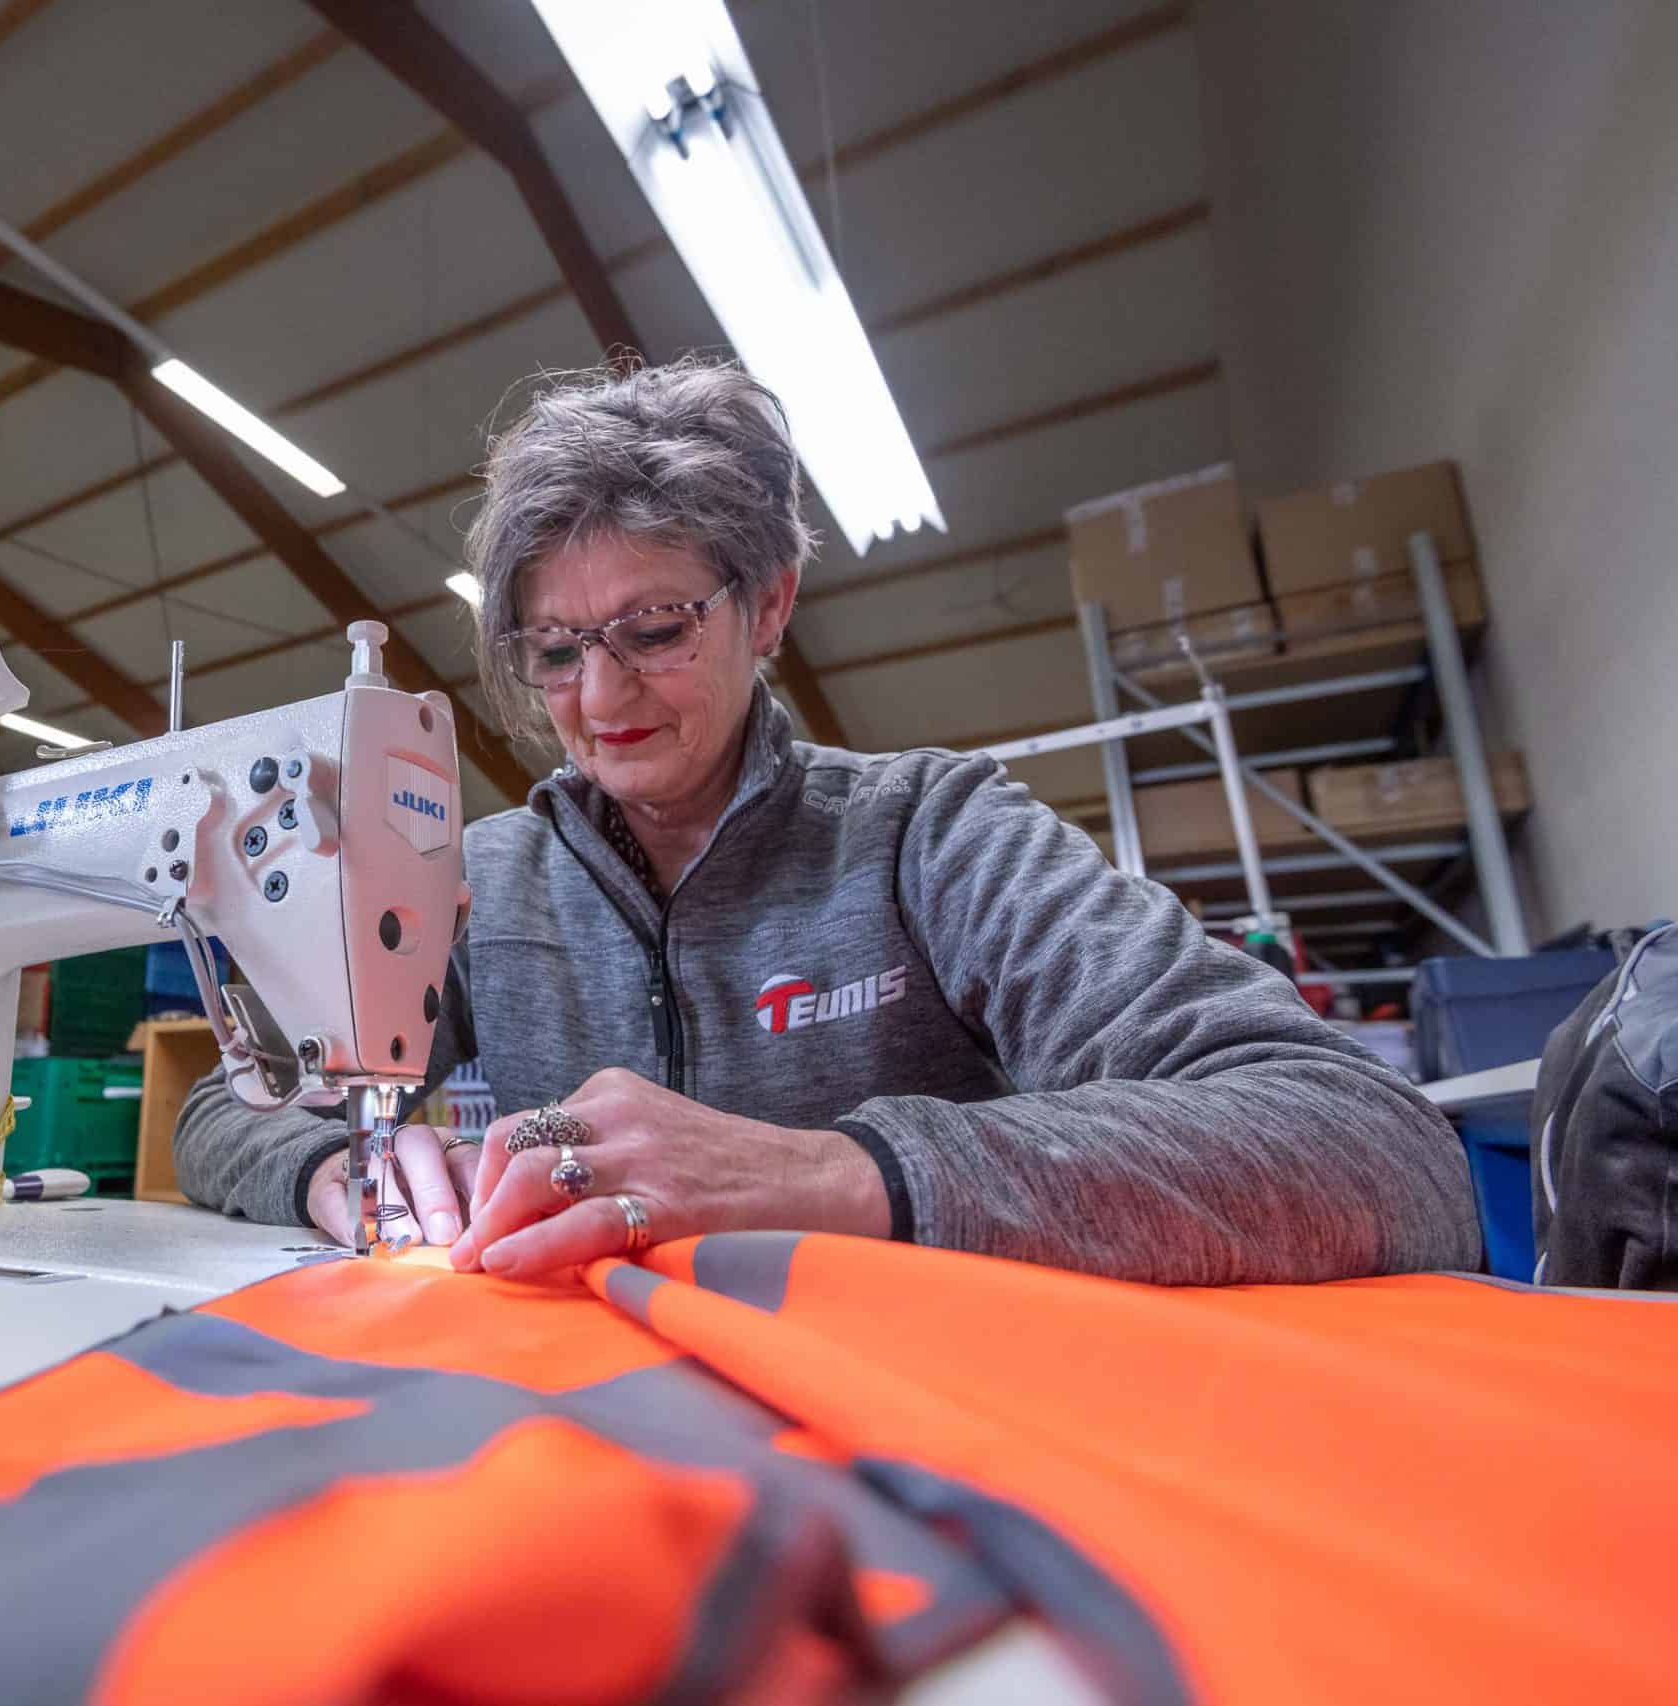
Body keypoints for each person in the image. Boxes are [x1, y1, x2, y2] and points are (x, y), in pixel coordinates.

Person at [173, 358, 1481, 1286]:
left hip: (920, 1451)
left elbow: (1372, 1146)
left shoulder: (934, 836)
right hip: (587, 1438)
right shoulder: (482, 880)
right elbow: (226, 1111)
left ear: (771, 605)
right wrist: (338, 1172)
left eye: (655, 629)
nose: (600, 694)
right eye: (557, 647)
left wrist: (832, 1176)